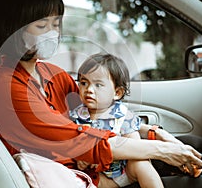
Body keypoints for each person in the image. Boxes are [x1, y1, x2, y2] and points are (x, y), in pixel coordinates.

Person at [0, 0, 202, 187]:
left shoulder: (50, 73)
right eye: (43, 25)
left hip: (96, 166)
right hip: (79, 176)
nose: (53, 33)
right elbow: (81, 140)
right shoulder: (6, 86)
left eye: (56, 24)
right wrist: (163, 151)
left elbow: (102, 113)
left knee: (194, 145)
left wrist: (159, 136)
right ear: (13, 30)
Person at [70, 53, 164, 187]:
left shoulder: (123, 116)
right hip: (98, 177)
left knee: (141, 164)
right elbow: (72, 146)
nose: (89, 90)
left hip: (124, 172)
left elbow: (135, 148)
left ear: (117, 93)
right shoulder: (76, 117)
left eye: (98, 85)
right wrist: (81, 158)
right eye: (84, 83)